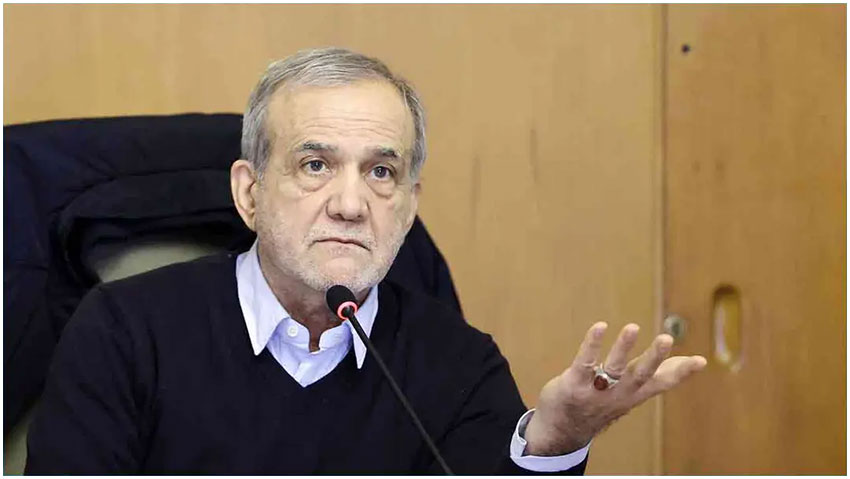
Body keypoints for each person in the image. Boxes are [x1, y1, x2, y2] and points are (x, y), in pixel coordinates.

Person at [25, 48, 706, 474]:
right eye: (315, 165)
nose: (351, 204)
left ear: (408, 208)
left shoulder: (458, 362)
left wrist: (554, 439)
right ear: (250, 193)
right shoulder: (122, 331)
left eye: (382, 172)